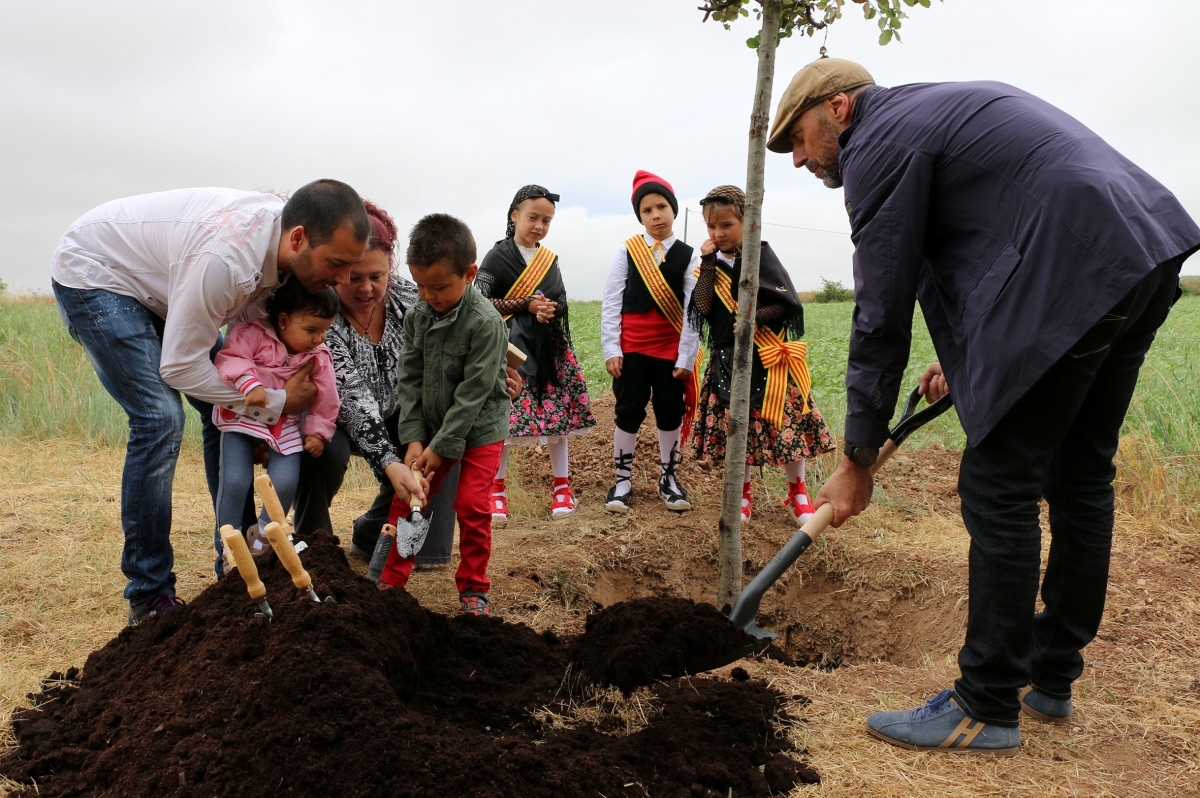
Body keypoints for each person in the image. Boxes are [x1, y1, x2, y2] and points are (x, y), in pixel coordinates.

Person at [768, 57, 1200, 754]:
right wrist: (967, 356)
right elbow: (990, 241)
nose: (797, 159)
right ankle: (1050, 677)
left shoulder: (880, 144)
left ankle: (985, 705)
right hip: (1139, 249)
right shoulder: (931, 114)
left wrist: (857, 458)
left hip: (1074, 267)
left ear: (840, 109)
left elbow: (881, 311)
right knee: (1081, 474)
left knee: (997, 483)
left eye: (798, 138)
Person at [50, 180, 426, 625]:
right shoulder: (226, 262)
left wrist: (258, 416)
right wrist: (272, 406)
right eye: (339, 264)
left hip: (165, 280)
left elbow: (245, 357)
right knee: (160, 419)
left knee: (221, 417)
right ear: (299, 238)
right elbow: (180, 368)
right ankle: (149, 593)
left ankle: (240, 557)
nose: (343, 281)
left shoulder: (281, 257)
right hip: (98, 271)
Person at [291, 200, 462, 567]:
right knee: (324, 448)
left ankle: (382, 535)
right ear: (336, 271)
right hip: (332, 419)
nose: (367, 289)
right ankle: (313, 543)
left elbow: (455, 348)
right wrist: (389, 461)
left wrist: (497, 378)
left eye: (377, 276)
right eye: (354, 278)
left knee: (447, 428)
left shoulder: (410, 299)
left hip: (403, 415)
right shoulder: (320, 314)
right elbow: (350, 397)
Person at [378, 213, 510, 617]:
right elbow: (410, 378)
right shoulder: (417, 315)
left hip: (480, 428)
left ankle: (474, 587)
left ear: (469, 273)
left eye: (438, 286)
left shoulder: (486, 323)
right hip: (432, 428)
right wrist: (416, 438)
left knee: (472, 504)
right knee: (410, 495)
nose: (427, 295)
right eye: (419, 285)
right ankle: (392, 582)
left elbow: (473, 395)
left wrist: (439, 447)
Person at [688, 185, 835, 524]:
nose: (718, 233)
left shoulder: (761, 257)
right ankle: (742, 493)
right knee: (736, 429)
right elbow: (704, 307)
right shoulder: (709, 265)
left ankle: (798, 491)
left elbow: (785, 304)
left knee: (787, 426)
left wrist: (752, 319)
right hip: (727, 363)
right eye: (711, 226)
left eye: (726, 225)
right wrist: (708, 262)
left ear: (747, 221)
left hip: (770, 359)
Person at [477, 185, 597, 522]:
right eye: (533, 217)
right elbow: (481, 300)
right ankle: (495, 492)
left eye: (546, 220)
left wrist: (548, 310)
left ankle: (562, 488)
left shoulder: (549, 259)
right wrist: (526, 305)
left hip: (548, 349)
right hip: (509, 350)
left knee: (557, 419)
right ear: (514, 215)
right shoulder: (496, 257)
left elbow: (560, 300)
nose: (539, 226)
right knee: (502, 419)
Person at [211, 279, 341, 573]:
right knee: (234, 481)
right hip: (241, 423)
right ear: (283, 320)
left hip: (285, 428)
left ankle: (262, 538)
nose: (320, 338)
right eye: (312, 330)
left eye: (325, 331)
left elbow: (327, 395)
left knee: (283, 483)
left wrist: (318, 432)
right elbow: (230, 359)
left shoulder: (318, 356)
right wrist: (250, 384)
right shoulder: (252, 333)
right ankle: (228, 552)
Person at [600, 170, 702, 513]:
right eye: (647, 210)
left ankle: (669, 478)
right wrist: (612, 348)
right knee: (627, 411)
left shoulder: (689, 256)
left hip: (669, 351)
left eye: (661, 206)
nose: (656, 215)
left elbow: (692, 309)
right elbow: (612, 300)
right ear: (640, 216)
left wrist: (686, 357)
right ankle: (622, 480)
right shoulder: (629, 251)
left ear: (673, 210)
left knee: (670, 412)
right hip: (631, 350)